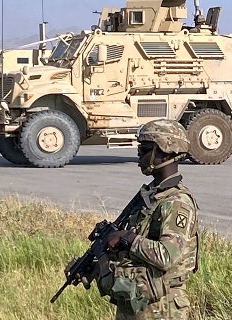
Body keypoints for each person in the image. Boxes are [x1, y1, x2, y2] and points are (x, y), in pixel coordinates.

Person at [96, 119, 200, 319]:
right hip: (137, 303)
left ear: (165, 151)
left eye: (144, 151)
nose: (139, 159)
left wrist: (127, 237)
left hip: (162, 309)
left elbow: (167, 256)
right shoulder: (151, 196)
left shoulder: (177, 202)